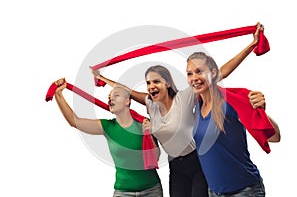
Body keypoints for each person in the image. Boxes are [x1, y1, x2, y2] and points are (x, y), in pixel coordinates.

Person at [91, 23, 265, 197]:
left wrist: (251, 45)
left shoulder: (184, 98)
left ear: (167, 83)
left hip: (196, 162)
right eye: (148, 83)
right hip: (176, 165)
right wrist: (101, 77)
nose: (151, 86)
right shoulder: (151, 105)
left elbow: (219, 74)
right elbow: (126, 90)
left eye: (156, 81)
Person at [186, 51, 280, 196]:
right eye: (189, 74)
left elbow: (275, 137)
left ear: (213, 73)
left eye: (199, 71)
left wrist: (261, 112)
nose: (194, 78)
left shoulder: (230, 103)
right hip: (214, 192)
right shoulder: (196, 107)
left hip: (244, 191)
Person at [53, 78, 163, 197]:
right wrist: (58, 94)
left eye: (116, 95)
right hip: (123, 192)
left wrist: (149, 133)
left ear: (127, 101)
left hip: (151, 190)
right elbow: (75, 121)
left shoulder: (144, 124)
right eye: (109, 96)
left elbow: (155, 158)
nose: (111, 98)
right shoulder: (107, 127)